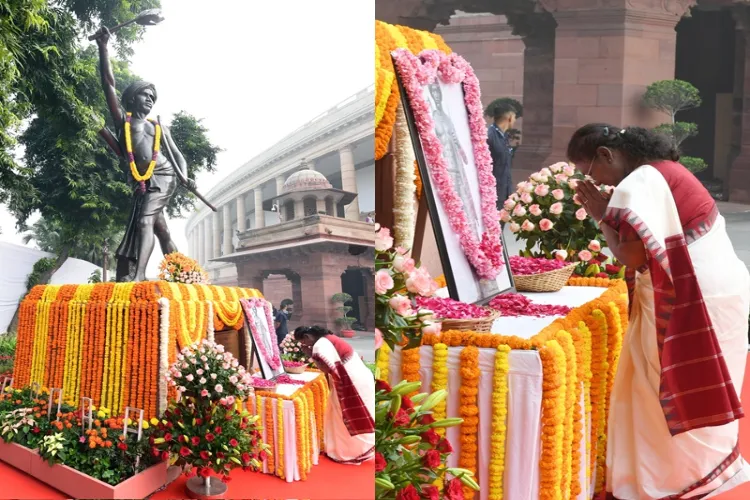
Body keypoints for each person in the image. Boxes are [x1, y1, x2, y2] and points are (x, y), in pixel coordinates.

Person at [566, 124, 750, 499]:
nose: (593, 181)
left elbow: (631, 257)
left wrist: (601, 214)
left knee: (661, 386)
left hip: (694, 294)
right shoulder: (665, 169)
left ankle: (672, 479)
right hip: (721, 286)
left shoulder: (640, 184)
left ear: (606, 154)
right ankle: (709, 469)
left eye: (589, 172)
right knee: (699, 379)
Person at [94, 27, 197, 282]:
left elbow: (177, 155)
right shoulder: (124, 122)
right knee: (160, 229)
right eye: (145, 94)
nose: (150, 99)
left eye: (153, 97)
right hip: (142, 180)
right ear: (131, 98)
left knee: (144, 222)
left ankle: (138, 275)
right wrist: (103, 47)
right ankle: (184, 274)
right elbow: (108, 84)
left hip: (163, 174)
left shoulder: (158, 126)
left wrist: (185, 176)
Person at [295, 326, 374, 464]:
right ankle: (361, 450)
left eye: (303, 342)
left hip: (350, 381)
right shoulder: (329, 339)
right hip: (360, 377)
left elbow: (326, 368)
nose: (304, 345)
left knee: (344, 417)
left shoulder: (320, 345)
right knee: (354, 415)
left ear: (307, 337)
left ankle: (348, 454)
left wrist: (310, 354)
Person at [485, 98, 520, 209]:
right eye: (514, 117)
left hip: (503, 193)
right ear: (509, 118)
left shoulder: (503, 136)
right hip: (493, 194)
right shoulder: (489, 136)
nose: (515, 120)